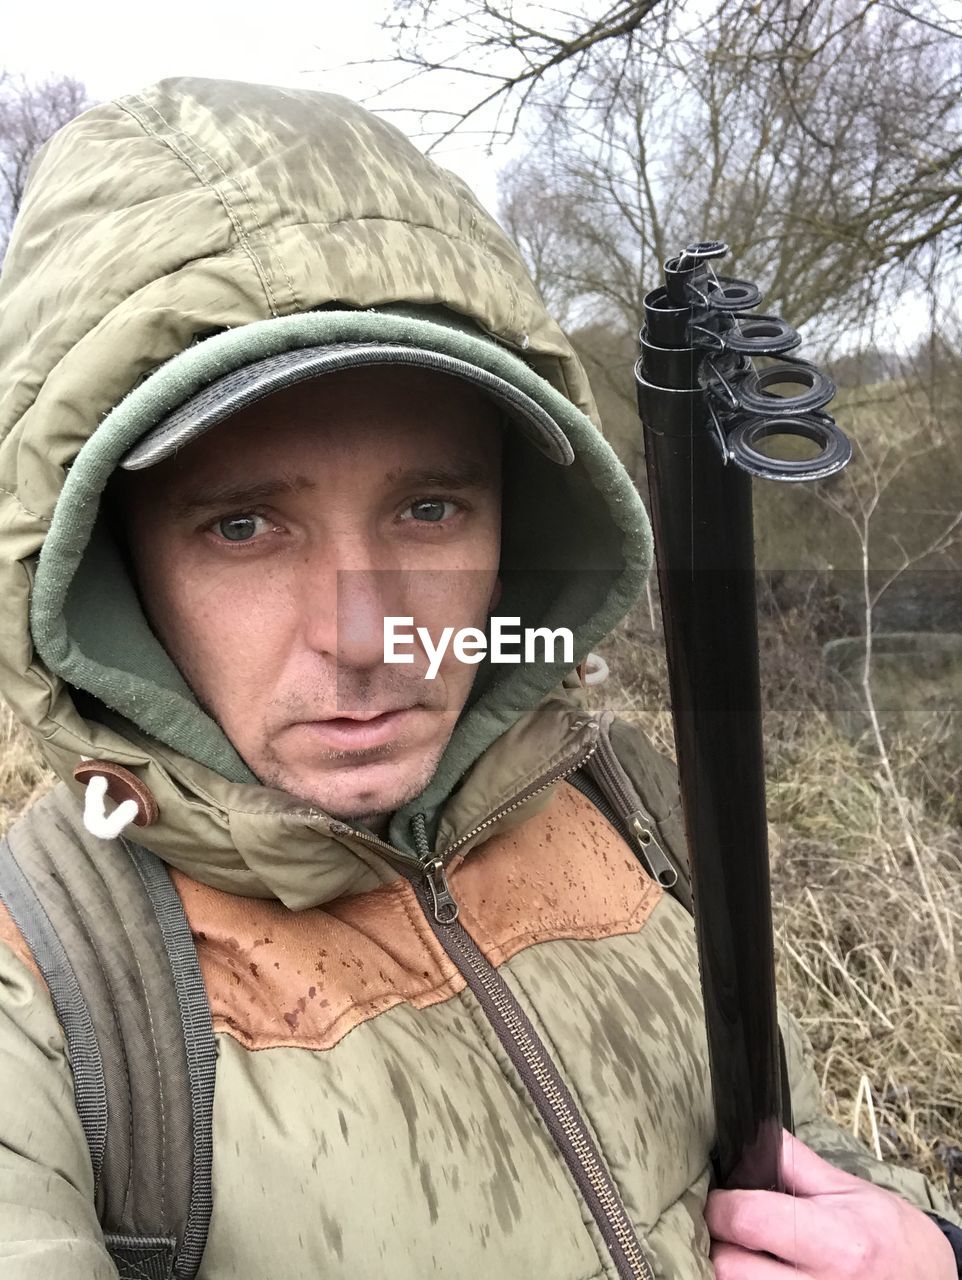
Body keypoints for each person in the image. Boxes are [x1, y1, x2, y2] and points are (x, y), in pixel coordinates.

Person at [0, 76, 958, 1280]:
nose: (366, 635)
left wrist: (920, 1244)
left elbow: (798, 1159)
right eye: (242, 526)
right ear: (105, 560)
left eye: (429, 505)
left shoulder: (627, 804)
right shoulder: (45, 990)